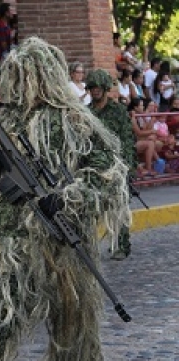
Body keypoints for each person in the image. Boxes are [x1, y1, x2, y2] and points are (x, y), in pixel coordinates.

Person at [0, 37, 131, 361]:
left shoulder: (75, 120)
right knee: (1, 301)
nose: (20, 80)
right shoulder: (4, 118)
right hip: (10, 230)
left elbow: (108, 172)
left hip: (62, 228)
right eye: (16, 73)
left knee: (71, 306)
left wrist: (70, 196)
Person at [86, 68, 136, 260]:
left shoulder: (117, 111)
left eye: (98, 86)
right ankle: (89, 247)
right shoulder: (86, 113)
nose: (95, 90)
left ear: (105, 88)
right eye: (92, 87)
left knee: (118, 206)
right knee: (89, 207)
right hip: (92, 165)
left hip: (115, 164)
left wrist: (129, 166)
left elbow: (126, 139)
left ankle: (121, 246)